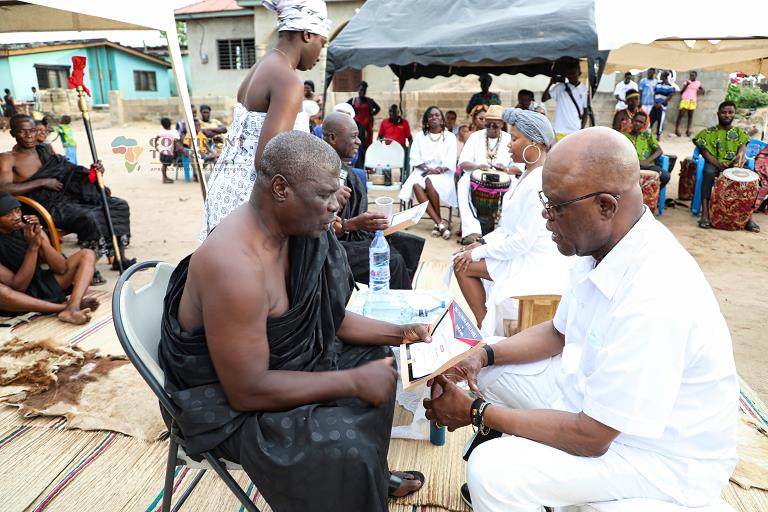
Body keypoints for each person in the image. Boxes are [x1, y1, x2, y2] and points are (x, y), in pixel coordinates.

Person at [424, 126, 738, 512]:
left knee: (493, 470)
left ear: (606, 205)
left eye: (556, 206)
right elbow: (558, 332)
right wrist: (482, 356)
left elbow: (592, 437)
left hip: (659, 458)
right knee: (488, 370)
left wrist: (474, 412)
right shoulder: (601, 247)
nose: (545, 216)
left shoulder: (655, 294)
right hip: (594, 407)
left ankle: (530, 488)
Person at [159, 131, 429, 512]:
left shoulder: (295, 231)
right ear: (281, 188)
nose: (336, 205)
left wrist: (403, 335)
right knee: (345, 444)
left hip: (275, 367)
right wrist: (350, 381)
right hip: (226, 403)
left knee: (378, 357)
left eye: (336, 192)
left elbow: (326, 320)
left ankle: (369, 476)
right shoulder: (235, 265)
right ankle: (354, 478)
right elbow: (246, 391)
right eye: (323, 195)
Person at [452, 108, 571, 332]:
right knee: (463, 257)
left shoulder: (539, 183)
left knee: (463, 265)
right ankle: (487, 327)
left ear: (534, 144)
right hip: (523, 251)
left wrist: (475, 253)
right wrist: (482, 243)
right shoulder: (527, 175)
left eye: (515, 139)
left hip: (533, 259)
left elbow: (522, 241)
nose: (509, 144)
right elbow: (508, 228)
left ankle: (484, 329)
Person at [0, 115, 133, 269]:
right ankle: (89, 267)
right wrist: (42, 182)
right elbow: (4, 189)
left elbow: (69, 173)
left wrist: (92, 173)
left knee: (118, 205)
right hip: (43, 206)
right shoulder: (8, 159)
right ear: (12, 133)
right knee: (88, 216)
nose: (29, 136)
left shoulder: (45, 151)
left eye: (32, 130)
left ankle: (119, 257)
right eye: (22, 132)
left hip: (66, 197)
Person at [325, 112, 424, 289]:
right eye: (354, 137)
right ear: (333, 138)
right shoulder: (320, 172)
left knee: (407, 244)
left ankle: (398, 304)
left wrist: (369, 222)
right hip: (326, 249)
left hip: (348, 234)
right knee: (391, 261)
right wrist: (352, 224)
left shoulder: (346, 172)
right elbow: (323, 229)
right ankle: (395, 310)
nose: (359, 142)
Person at [0, 193, 98, 324]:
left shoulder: (27, 229)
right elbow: (18, 287)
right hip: (17, 298)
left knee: (87, 254)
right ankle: (63, 307)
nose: (17, 217)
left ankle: (73, 307)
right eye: (8, 215)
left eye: (17, 210)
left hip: (42, 283)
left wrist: (40, 238)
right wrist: (33, 248)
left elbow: (61, 268)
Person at [693, 101, 759, 232]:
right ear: (718, 114)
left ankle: (748, 218)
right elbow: (704, 153)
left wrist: (739, 159)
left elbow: (742, 148)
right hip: (714, 164)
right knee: (708, 172)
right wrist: (719, 165)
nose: (727, 115)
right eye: (724, 112)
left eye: (730, 112)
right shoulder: (707, 133)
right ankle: (705, 214)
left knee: (751, 177)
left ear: (734, 114)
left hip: (734, 165)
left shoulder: (740, 133)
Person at [399, 106, 457, 239]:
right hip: (422, 170)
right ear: (426, 120)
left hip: (443, 173)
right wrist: (427, 169)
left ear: (442, 120)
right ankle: (440, 224)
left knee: (429, 181)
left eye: (437, 115)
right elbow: (414, 158)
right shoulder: (420, 136)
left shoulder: (449, 137)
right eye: (431, 116)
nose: (434, 117)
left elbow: (451, 159)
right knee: (415, 185)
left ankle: (438, 224)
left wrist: (439, 170)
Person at [457, 105, 513, 245]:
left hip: (504, 176)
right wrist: (477, 167)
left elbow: (518, 167)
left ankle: (503, 229)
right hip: (476, 176)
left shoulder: (509, 138)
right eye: (488, 125)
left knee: (515, 185)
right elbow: (463, 163)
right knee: (463, 183)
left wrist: (505, 169)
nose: (491, 128)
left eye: (495, 125)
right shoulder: (475, 137)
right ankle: (472, 231)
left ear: (502, 124)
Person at [542, 61, 588, 140]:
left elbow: (586, 112)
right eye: (569, 74)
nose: (571, 76)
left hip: (575, 130)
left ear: (579, 73)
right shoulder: (559, 87)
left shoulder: (584, 90)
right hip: (560, 130)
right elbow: (544, 99)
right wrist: (550, 84)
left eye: (573, 73)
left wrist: (581, 129)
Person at [624, 111, 670, 188]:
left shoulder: (647, 135)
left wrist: (646, 161)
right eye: (636, 121)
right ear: (632, 121)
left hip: (648, 165)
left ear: (644, 125)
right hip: (630, 166)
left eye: (641, 122)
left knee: (665, 176)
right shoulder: (624, 136)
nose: (638, 124)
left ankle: (651, 195)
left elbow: (659, 151)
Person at [347, 80, 380, 152]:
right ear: (358, 90)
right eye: (361, 90)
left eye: (364, 90)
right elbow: (346, 107)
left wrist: (371, 114)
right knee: (356, 143)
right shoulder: (353, 100)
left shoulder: (369, 101)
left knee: (367, 143)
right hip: (356, 125)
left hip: (367, 125)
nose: (362, 92)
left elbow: (378, 108)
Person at [676, 71, 705, 137]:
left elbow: (703, 91)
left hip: (693, 100)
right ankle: (677, 130)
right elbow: (681, 92)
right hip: (685, 99)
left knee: (690, 116)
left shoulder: (698, 83)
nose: (691, 77)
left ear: (695, 76)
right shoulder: (686, 82)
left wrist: (701, 89)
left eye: (693, 75)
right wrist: (686, 85)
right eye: (690, 75)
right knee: (681, 115)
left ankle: (688, 130)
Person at [649, 71, 675, 138]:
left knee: (660, 121)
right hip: (655, 105)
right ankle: (648, 133)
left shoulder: (669, 86)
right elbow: (654, 93)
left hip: (662, 106)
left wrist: (661, 103)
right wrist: (655, 102)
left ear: (665, 77)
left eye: (661, 76)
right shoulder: (658, 84)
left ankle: (658, 135)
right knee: (650, 119)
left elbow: (670, 96)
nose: (660, 77)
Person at [154, 117, 180, 184]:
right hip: (169, 152)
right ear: (170, 123)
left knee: (164, 165)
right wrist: (175, 150)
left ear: (162, 125)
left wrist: (156, 146)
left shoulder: (162, 132)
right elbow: (176, 141)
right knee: (166, 165)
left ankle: (165, 177)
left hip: (162, 152)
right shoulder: (174, 132)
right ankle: (164, 179)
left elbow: (156, 137)